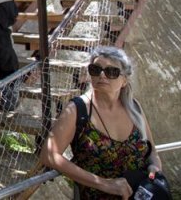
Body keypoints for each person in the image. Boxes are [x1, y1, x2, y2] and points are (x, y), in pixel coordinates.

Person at [40, 46, 164, 199]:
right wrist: (104, 183)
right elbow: (49, 155)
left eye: (112, 72)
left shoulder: (134, 107)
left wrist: (155, 167)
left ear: (124, 80)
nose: (102, 75)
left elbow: (152, 152)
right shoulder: (77, 110)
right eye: (95, 69)